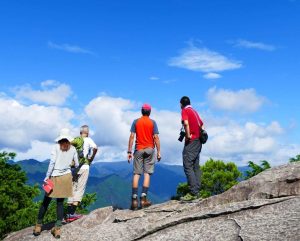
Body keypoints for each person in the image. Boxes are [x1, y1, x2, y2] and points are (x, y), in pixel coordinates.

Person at [33, 128, 79, 239]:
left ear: (59, 138)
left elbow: (52, 163)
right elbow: (76, 164)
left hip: (54, 177)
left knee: (46, 202)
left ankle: (38, 226)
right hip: (66, 177)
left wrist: (47, 176)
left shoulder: (55, 147)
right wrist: (69, 163)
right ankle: (57, 229)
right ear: (69, 138)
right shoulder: (73, 149)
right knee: (60, 203)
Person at [127, 103, 161, 210]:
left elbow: (132, 136)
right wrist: (159, 151)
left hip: (138, 149)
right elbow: (156, 137)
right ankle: (143, 199)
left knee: (137, 174)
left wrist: (129, 151)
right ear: (149, 112)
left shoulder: (136, 122)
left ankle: (134, 200)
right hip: (150, 149)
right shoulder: (153, 122)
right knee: (147, 174)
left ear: (142, 111)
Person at [66, 125, 98, 222]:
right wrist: (91, 158)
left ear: (80, 132)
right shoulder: (89, 140)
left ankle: (67, 214)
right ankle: (72, 214)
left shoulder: (76, 140)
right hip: (84, 166)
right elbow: (95, 148)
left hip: (73, 168)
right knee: (80, 189)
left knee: (72, 189)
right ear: (87, 132)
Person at [179, 96, 204, 201]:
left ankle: (193, 193)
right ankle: (198, 191)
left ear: (181, 104)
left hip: (192, 141)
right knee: (195, 166)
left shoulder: (185, 111)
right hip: (199, 141)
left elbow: (185, 123)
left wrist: (188, 135)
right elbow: (202, 125)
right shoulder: (194, 111)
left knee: (188, 166)